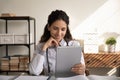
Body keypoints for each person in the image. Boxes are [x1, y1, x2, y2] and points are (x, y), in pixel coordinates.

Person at [29, 10, 85, 76]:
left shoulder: (75, 45)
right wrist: (44, 47)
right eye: (55, 28)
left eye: (63, 29)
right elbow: (34, 72)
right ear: (49, 27)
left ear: (66, 29)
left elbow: (81, 73)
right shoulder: (41, 46)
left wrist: (82, 70)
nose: (59, 33)